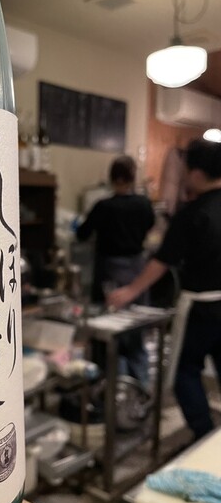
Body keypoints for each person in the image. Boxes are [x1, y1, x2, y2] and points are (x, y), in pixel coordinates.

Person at [108, 139, 221, 441]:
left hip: (201, 307)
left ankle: (204, 434)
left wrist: (130, 291)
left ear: (197, 173)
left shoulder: (193, 213)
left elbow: (162, 260)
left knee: (184, 373)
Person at [76, 155, 155, 387]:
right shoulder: (144, 204)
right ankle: (142, 389)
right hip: (138, 270)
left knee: (113, 335)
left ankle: (116, 391)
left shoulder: (104, 206)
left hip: (111, 271)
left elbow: (82, 233)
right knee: (136, 331)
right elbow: (150, 225)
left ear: (112, 178)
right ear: (132, 178)